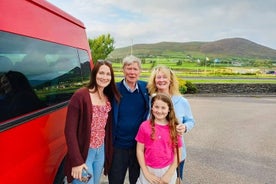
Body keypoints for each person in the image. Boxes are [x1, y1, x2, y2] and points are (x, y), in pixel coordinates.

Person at [64, 60, 121, 184]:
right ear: (94, 74)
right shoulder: (81, 96)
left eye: (108, 74)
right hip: (85, 152)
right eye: (101, 73)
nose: (104, 77)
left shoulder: (107, 97)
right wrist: (77, 161)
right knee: (84, 182)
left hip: (100, 152)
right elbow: (69, 131)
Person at [107, 55, 150, 184]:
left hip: (139, 146)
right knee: (115, 180)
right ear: (123, 70)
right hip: (118, 145)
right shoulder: (113, 89)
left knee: (136, 180)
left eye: (135, 69)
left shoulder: (146, 88)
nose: (132, 72)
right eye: (129, 68)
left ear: (140, 71)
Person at [147, 65, 195, 180]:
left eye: (165, 77)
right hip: (154, 154)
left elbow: (191, 120)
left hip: (175, 154)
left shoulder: (182, 101)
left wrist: (185, 126)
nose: (161, 80)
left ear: (170, 80)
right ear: (154, 80)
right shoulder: (150, 100)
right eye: (158, 77)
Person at [136, 93, 183, 184]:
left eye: (163, 108)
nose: (159, 111)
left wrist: (169, 173)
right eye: (156, 107)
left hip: (168, 169)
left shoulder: (174, 127)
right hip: (148, 169)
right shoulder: (144, 126)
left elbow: (178, 153)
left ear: (169, 109)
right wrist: (146, 172)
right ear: (152, 107)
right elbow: (139, 150)